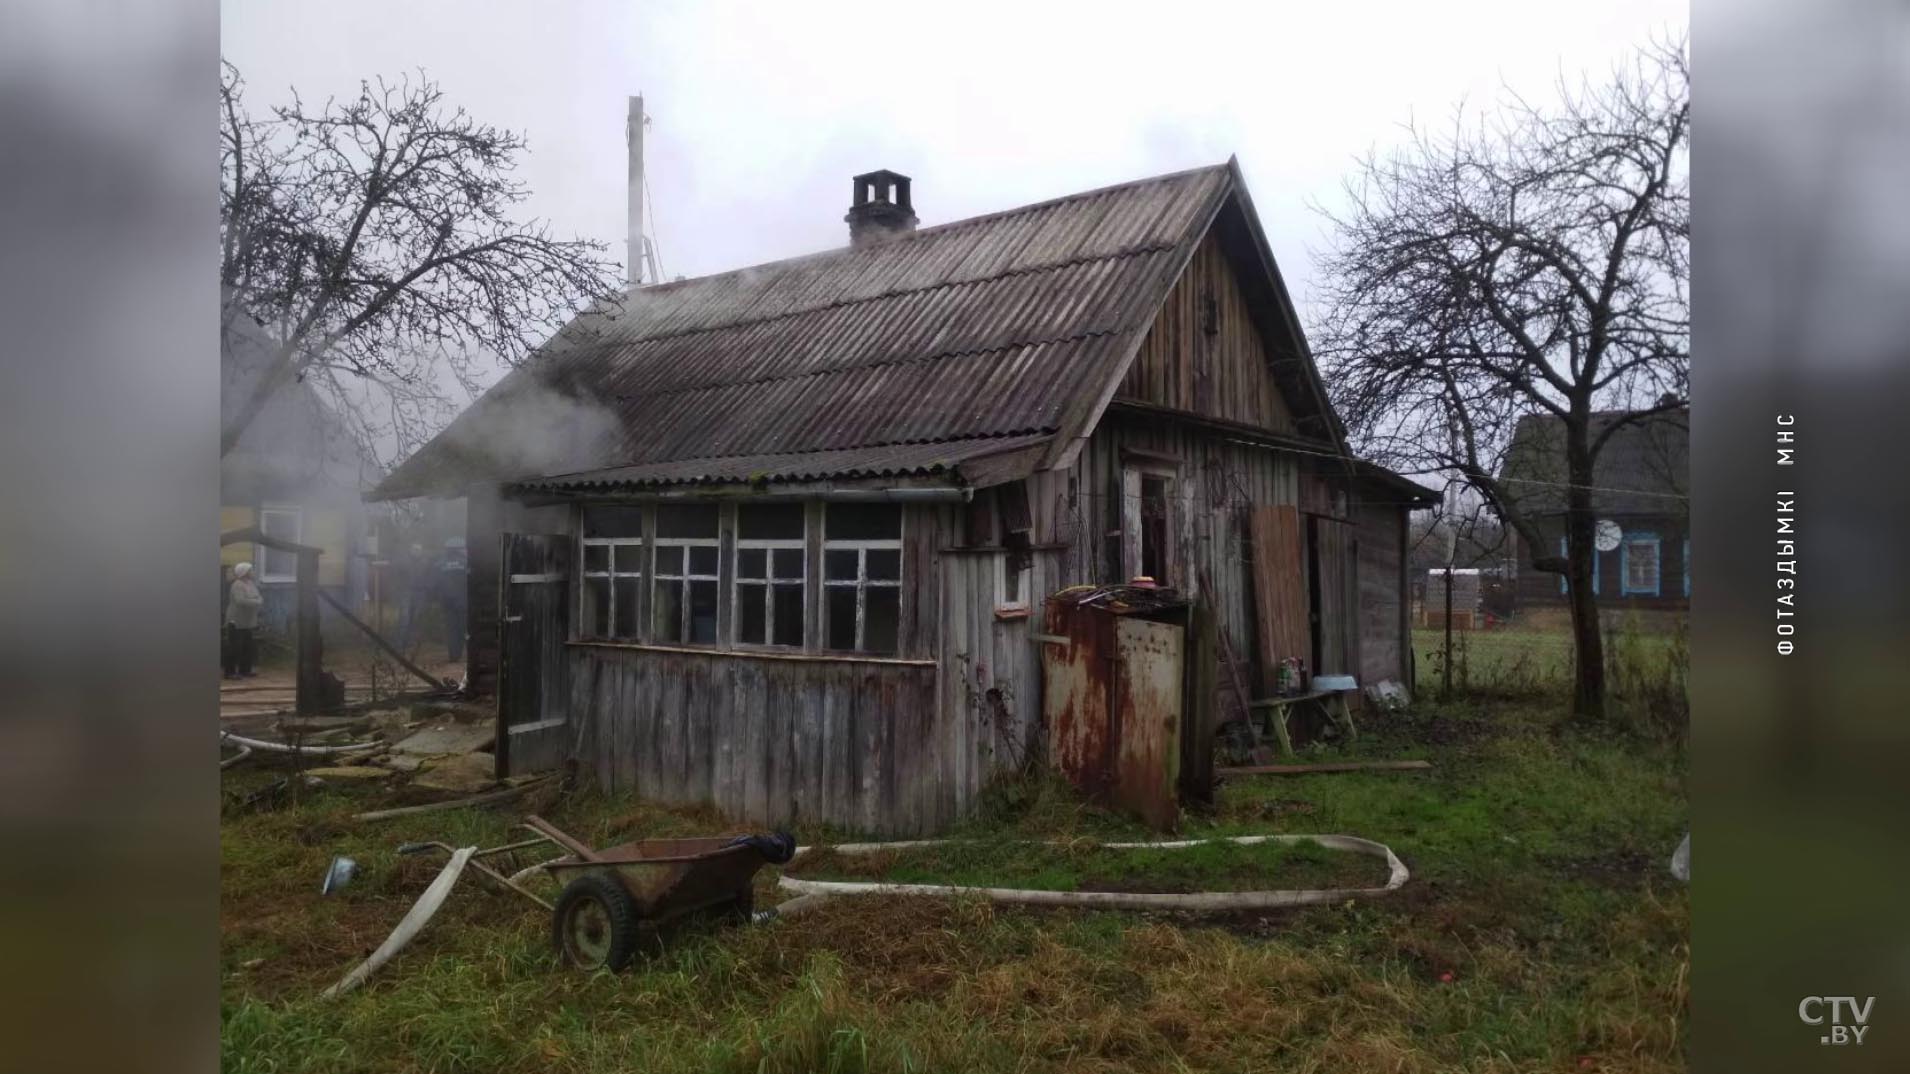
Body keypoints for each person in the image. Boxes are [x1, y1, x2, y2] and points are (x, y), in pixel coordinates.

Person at [224, 562, 265, 679]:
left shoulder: (251, 584)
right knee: (235, 648)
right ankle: (230, 672)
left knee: (248, 647)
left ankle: (245, 670)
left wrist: (256, 600)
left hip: (248, 622)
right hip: (236, 621)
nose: (253, 572)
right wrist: (256, 601)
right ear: (244, 572)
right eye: (251, 570)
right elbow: (241, 601)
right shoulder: (237, 585)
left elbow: (259, 596)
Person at [436, 537, 468, 664]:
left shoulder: (440, 563)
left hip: (447, 601)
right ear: (459, 549)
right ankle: (462, 653)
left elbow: (435, 583)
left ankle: (453, 656)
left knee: (451, 629)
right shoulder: (466, 563)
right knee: (462, 628)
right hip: (462, 600)